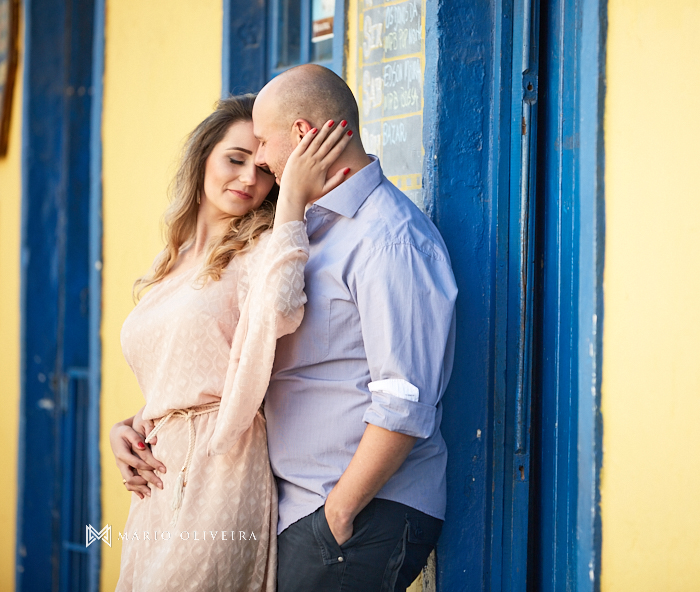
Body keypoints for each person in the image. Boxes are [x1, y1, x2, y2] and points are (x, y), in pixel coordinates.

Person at [115, 65, 458, 591]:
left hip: (353, 511)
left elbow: (403, 401)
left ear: (300, 134)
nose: (260, 165)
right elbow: (238, 359)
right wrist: (142, 423)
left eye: (263, 144)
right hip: (295, 506)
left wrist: (338, 515)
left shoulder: (389, 239)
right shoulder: (311, 231)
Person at [109, 93, 353, 592]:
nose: (248, 179)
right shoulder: (170, 261)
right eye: (235, 159)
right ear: (203, 157)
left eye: (263, 169)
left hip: (222, 468)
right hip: (158, 478)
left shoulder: (262, 247)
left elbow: (280, 310)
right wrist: (129, 426)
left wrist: (291, 203)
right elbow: (181, 367)